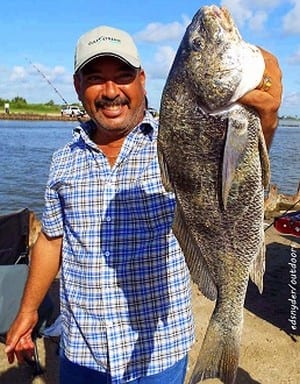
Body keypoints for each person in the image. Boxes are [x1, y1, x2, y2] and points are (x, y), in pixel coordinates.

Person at [5, 25, 282, 384]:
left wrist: (268, 120)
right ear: (77, 86)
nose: (110, 91)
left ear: (143, 80)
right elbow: (52, 239)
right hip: (81, 352)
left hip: (160, 354)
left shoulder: (176, 143)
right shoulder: (63, 161)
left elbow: (235, 182)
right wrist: (27, 311)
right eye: (95, 79)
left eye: (123, 76)